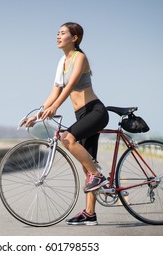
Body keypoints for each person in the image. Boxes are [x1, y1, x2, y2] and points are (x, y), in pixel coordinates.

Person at [23, 22, 109, 225]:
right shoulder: (62, 62)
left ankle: (98, 175)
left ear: (75, 37)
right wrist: (39, 113)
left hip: (95, 112)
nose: (58, 36)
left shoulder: (80, 57)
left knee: (67, 138)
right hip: (82, 115)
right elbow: (55, 91)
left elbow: (69, 87)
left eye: (62, 33)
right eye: (57, 33)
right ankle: (90, 214)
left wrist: (56, 108)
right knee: (86, 166)